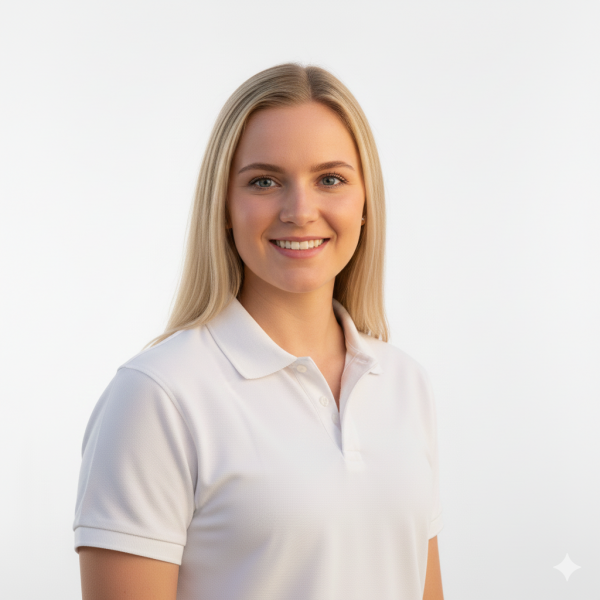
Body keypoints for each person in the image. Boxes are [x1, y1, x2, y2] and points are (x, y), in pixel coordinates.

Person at [74, 62, 445, 600]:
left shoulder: (404, 383)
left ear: (366, 203)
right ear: (224, 205)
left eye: (330, 179)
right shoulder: (157, 396)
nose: (300, 211)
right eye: (264, 181)